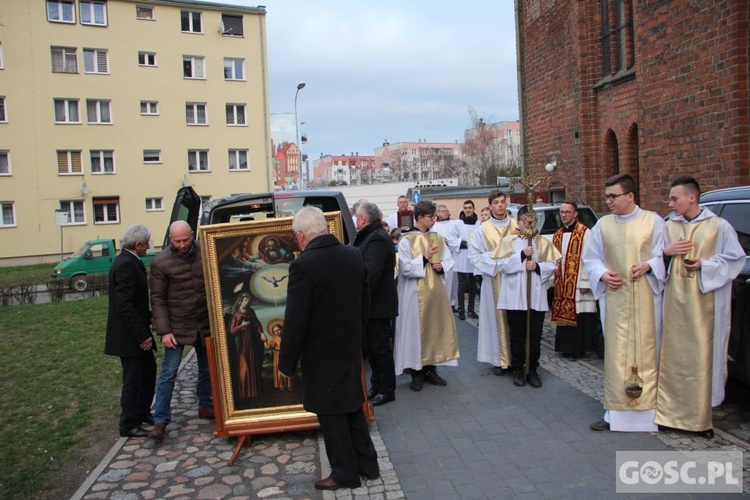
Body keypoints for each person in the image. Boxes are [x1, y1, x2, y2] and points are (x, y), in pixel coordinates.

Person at [278, 206, 379, 490]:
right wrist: (358, 338)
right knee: (351, 405)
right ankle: (368, 465)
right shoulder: (353, 254)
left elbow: (295, 319)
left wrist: (286, 363)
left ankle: (345, 473)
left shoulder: (303, 265)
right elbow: (365, 301)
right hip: (349, 345)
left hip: (320, 353)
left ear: (300, 235)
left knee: (331, 413)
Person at [655, 176, 744, 438]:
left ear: (692, 198)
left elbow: (735, 260)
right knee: (672, 357)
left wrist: (704, 264)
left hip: (704, 306)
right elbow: (652, 260)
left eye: (675, 198)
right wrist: (666, 253)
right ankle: (669, 416)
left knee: (702, 358)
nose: (670, 203)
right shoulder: (668, 226)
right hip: (673, 305)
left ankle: (700, 420)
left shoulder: (719, 227)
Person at [584, 173, 666, 433]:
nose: (608, 201)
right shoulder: (603, 225)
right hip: (615, 297)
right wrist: (602, 274)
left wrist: (650, 265)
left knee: (648, 351)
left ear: (630, 196)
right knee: (617, 353)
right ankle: (614, 413)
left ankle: (652, 413)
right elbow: (591, 258)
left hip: (646, 298)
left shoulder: (653, 222)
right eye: (606, 197)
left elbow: (664, 256)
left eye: (613, 196)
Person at [148, 221, 213, 442]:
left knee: (207, 368)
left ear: (192, 235)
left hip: (204, 321)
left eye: (186, 239)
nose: (183, 244)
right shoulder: (160, 262)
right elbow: (157, 299)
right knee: (168, 373)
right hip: (176, 325)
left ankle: (206, 405)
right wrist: (164, 331)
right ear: (170, 239)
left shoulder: (205, 250)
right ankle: (161, 421)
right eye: (177, 241)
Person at [394, 201, 459, 391]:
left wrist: (441, 267)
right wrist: (424, 258)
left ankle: (432, 368)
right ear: (420, 217)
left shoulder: (437, 238)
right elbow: (404, 267)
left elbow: (449, 261)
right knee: (416, 331)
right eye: (431, 216)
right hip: (415, 295)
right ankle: (416, 372)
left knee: (434, 328)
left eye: (434, 216)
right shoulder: (407, 240)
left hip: (436, 293)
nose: (434, 219)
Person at [497, 206, 561, 387]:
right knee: (517, 335)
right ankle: (518, 368)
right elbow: (502, 265)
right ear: (519, 223)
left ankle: (532, 369)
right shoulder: (509, 241)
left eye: (533, 221)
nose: (530, 224)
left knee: (534, 335)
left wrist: (538, 267)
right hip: (515, 295)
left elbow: (553, 264)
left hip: (535, 296)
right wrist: (522, 255)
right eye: (526, 221)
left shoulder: (542, 242)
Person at [104, 224, 156, 438]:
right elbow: (124, 306)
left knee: (148, 372)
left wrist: (150, 317)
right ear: (138, 245)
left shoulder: (129, 261)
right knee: (133, 379)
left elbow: (136, 302)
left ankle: (142, 412)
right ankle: (128, 423)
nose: (148, 247)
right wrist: (142, 335)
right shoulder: (126, 265)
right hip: (130, 337)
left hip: (135, 331)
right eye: (146, 244)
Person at [354, 202, 398, 406]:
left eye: (356, 217)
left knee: (380, 348)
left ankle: (387, 389)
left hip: (378, 304)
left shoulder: (377, 238)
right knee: (372, 348)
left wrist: (356, 295)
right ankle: (376, 385)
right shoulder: (371, 236)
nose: (355, 220)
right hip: (372, 304)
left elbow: (371, 273)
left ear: (363, 219)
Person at [469, 191, 518, 376]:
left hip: (515, 280)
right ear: (490, 206)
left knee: (515, 319)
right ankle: (499, 359)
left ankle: (516, 358)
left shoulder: (516, 226)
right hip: (494, 278)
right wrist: (497, 260)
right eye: (496, 202)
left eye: (503, 202)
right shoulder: (483, 229)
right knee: (495, 318)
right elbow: (474, 255)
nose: (500, 205)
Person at [551, 202, 598, 359]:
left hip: (578, 283)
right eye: (562, 212)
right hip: (562, 282)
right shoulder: (557, 235)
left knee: (580, 316)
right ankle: (565, 348)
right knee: (563, 315)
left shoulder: (585, 233)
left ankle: (578, 350)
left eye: (567, 212)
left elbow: (589, 259)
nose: (564, 215)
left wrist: (585, 282)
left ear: (575, 214)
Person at [227, 292, 266, 399]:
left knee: (252, 365)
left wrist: (261, 333)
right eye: (245, 300)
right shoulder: (235, 313)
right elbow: (231, 331)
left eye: (249, 301)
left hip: (251, 342)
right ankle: (243, 393)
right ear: (240, 301)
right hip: (239, 344)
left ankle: (252, 393)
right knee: (244, 367)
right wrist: (242, 326)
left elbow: (256, 323)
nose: (247, 302)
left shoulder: (250, 311)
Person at [454, 200, 480, 320]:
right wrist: (464, 244)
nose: (468, 210)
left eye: (470, 207)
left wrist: (474, 245)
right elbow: (451, 239)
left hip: (474, 258)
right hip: (462, 258)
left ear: (474, 209)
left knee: (473, 286)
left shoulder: (479, 224)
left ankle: (471, 310)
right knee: (462, 285)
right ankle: (461, 310)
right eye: (465, 208)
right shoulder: (457, 224)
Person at [433, 204, 460, 311]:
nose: (446, 212)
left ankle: (453, 302)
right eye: (443, 211)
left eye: (447, 210)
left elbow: (457, 237)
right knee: (444, 280)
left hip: (453, 254)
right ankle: (444, 302)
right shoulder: (434, 225)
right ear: (438, 213)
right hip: (441, 256)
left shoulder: (453, 224)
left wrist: (449, 240)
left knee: (454, 281)